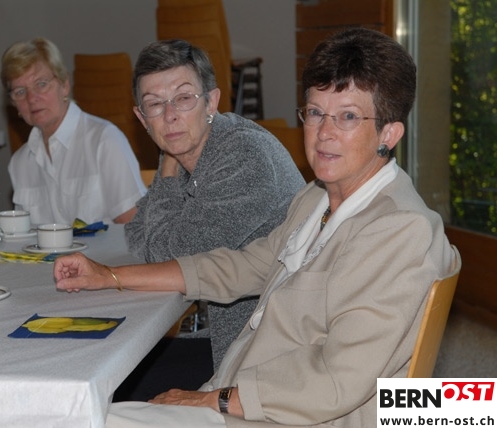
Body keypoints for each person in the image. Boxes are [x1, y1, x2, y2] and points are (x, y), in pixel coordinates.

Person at [54, 27, 456, 428]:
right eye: (315, 112)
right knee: (74, 414)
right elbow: (243, 266)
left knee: (73, 418)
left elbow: (338, 380)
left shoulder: (400, 230)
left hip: (289, 416)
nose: (324, 133)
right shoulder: (318, 198)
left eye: (348, 117)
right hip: (246, 388)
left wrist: (213, 400)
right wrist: (109, 276)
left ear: (389, 133)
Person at [124, 39, 305, 379]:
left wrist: (166, 173)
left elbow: (169, 257)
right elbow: (135, 233)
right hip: (234, 336)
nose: (170, 116)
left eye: (183, 98)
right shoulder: (188, 149)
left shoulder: (243, 156)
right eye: (155, 104)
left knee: (126, 381)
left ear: (211, 101)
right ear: (141, 118)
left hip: (272, 357)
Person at [0, 38, 146, 226]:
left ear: (64, 85)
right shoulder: (20, 163)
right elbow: (22, 238)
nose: (32, 98)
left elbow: (134, 227)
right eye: (20, 91)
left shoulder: (104, 140)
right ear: (14, 104)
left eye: (41, 84)